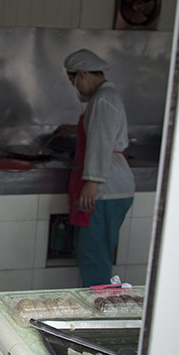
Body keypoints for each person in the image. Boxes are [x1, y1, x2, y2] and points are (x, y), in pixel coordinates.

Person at [60, 49, 135, 287]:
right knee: (96, 253)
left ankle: (98, 312)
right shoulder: (106, 97)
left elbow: (101, 142)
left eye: (74, 81)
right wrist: (74, 129)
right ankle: (97, 305)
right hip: (110, 187)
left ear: (82, 74)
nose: (75, 88)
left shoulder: (103, 99)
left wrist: (91, 184)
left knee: (95, 256)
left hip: (106, 190)